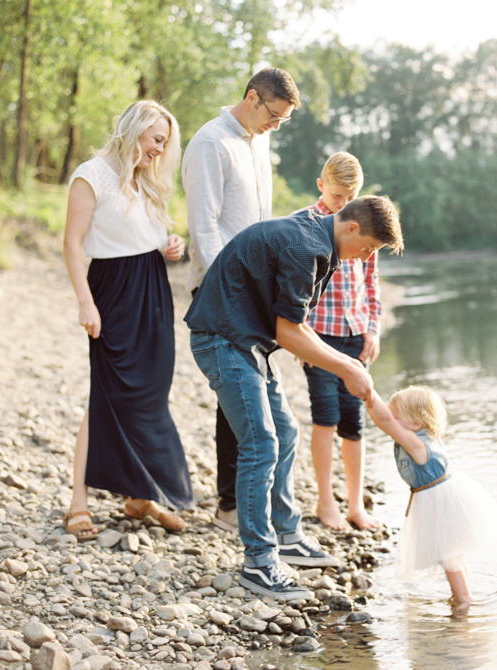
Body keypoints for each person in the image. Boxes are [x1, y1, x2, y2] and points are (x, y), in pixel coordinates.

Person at [185, 196, 404, 601]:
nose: (364, 258)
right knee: (261, 442)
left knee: (285, 432)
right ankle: (259, 563)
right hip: (222, 338)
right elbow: (289, 333)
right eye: (369, 248)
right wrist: (349, 368)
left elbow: (295, 326)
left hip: (248, 341)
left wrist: (348, 365)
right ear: (351, 228)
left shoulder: (323, 243)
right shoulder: (308, 248)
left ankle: (286, 536)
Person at [62, 100, 194, 541]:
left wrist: (169, 246)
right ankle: (77, 503)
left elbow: (146, 238)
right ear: (135, 129)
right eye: (157, 139)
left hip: (153, 292)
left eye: (164, 142)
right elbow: (73, 243)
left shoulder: (147, 181)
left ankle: (140, 497)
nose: (160, 149)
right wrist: (85, 301)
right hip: (112, 293)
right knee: (106, 393)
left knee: (151, 396)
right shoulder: (91, 174)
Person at [183, 67, 300, 535]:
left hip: (254, 288)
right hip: (221, 289)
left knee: (245, 399)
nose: (277, 125)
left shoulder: (259, 140)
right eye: (274, 115)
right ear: (252, 98)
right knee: (235, 399)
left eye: (283, 120)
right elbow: (205, 227)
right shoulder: (211, 143)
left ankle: (242, 502)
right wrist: (233, 288)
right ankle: (231, 505)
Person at [364, 385, 497, 607]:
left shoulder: (416, 443)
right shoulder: (423, 435)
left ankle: (464, 599)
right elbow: (385, 421)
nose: (390, 421)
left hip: (442, 502)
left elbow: (384, 422)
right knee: (452, 552)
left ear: (416, 423)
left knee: (448, 554)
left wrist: (368, 393)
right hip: (442, 497)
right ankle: (463, 595)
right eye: (391, 415)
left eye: (396, 417)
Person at [296, 152, 381, 531]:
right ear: (321, 186)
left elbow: (370, 283)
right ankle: (325, 502)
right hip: (319, 336)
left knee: (353, 420)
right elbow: (298, 289)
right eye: (337, 197)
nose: (344, 206)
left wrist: (373, 328)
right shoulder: (308, 225)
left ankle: (355, 504)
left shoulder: (365, 226)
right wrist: (302, 342)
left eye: (351, 197)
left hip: (355, 333)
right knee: (325, 417)